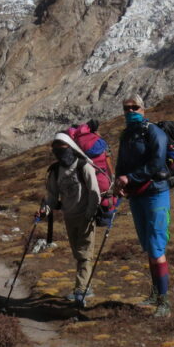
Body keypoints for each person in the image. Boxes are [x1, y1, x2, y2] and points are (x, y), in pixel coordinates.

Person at [113, 95, 172, 317]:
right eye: (126, 108)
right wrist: (119, 182)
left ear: (143, 109)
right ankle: (156, 294)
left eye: (134, 107)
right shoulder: (126, 135)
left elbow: (157, 163)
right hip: (137, 195)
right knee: (148, 246)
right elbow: (121, 163)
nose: (130, 111)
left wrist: (131, 178)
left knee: (156, 247)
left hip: (156, 193)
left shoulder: (154, 132)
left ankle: (164, 302)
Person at [42, 132, 102, 308]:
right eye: (56, 148)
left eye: (63, 147)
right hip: (69, 216)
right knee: (78, 253)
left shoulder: (84, 166)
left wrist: (90, 213)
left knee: (84, 254)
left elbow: (94, 192)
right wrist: (45, 210)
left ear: (71, 147)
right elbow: (52, 196)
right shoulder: (55, 170)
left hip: (84, 216)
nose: (59, 151)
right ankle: (85, 286)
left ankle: (80, 291)